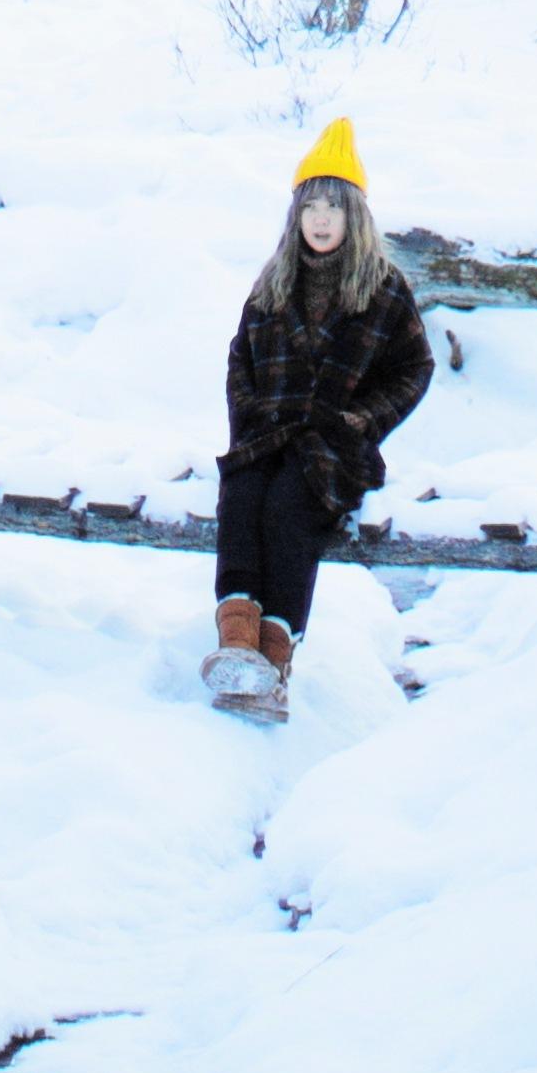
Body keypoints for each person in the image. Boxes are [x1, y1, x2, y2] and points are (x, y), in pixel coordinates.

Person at [206, 118, 433, 721]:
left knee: (288, 508)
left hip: (331, 447)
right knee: (243, 495)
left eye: (334, 205)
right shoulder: (274, 282)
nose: (322, 218)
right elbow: (239, 358)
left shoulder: (383, 288)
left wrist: (362, 422)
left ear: (354, 214)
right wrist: (249, 418)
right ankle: (235, 646)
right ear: (296, 216)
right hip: (265, 435)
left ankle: (274, 663)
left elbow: (414, 368)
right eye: (311, 206)